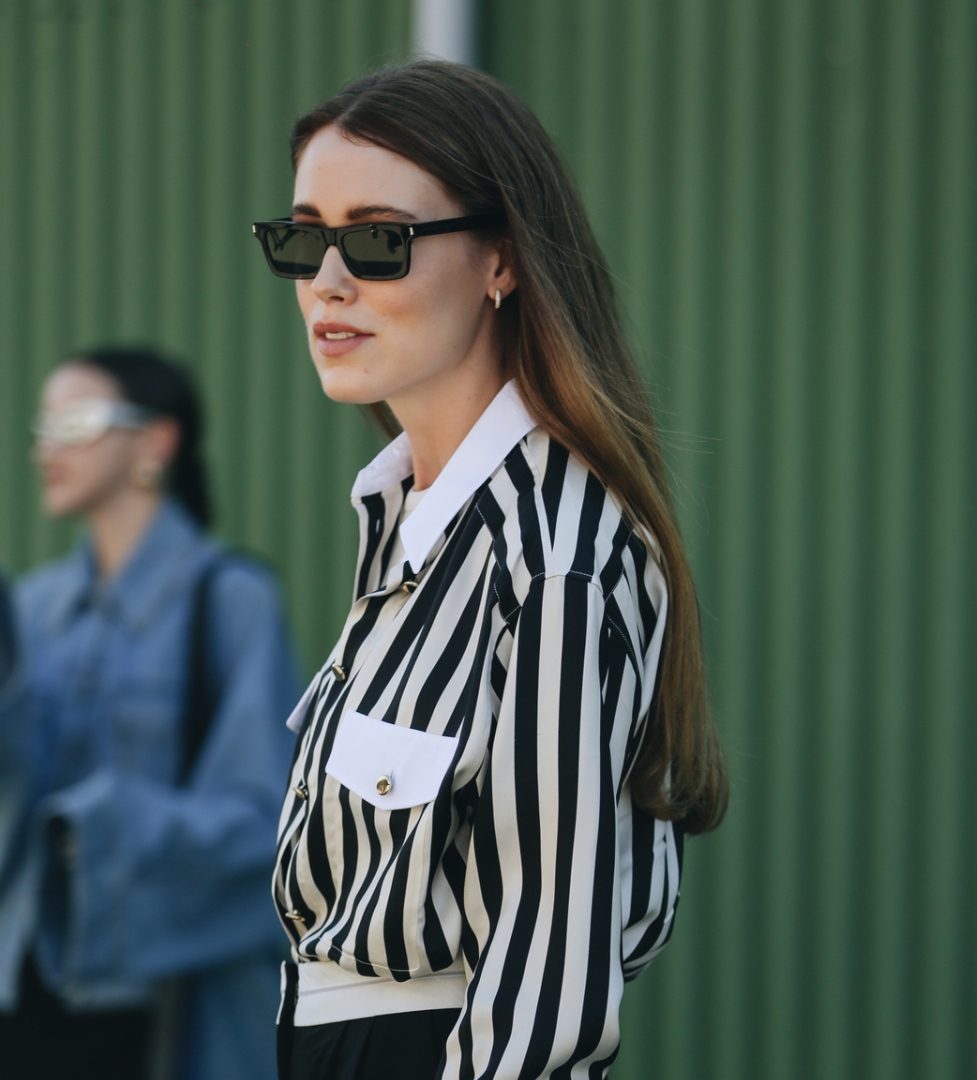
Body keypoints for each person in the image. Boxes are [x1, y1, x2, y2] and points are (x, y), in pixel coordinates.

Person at [254, 61, 728, 1080]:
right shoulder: (414, 521)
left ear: (501, 261)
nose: (328, 283)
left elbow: (548, 985)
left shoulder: (553, 558)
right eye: (303, 239)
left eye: (379, 240)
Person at [0, 347, 301, 1080]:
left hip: (161, 998)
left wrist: (102, 829)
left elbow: (266, 821)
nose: (47, 447)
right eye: (44, 427)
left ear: (156, 441)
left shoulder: (231, 601)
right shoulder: (30, 609)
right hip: (25, 992)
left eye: (75, 423)